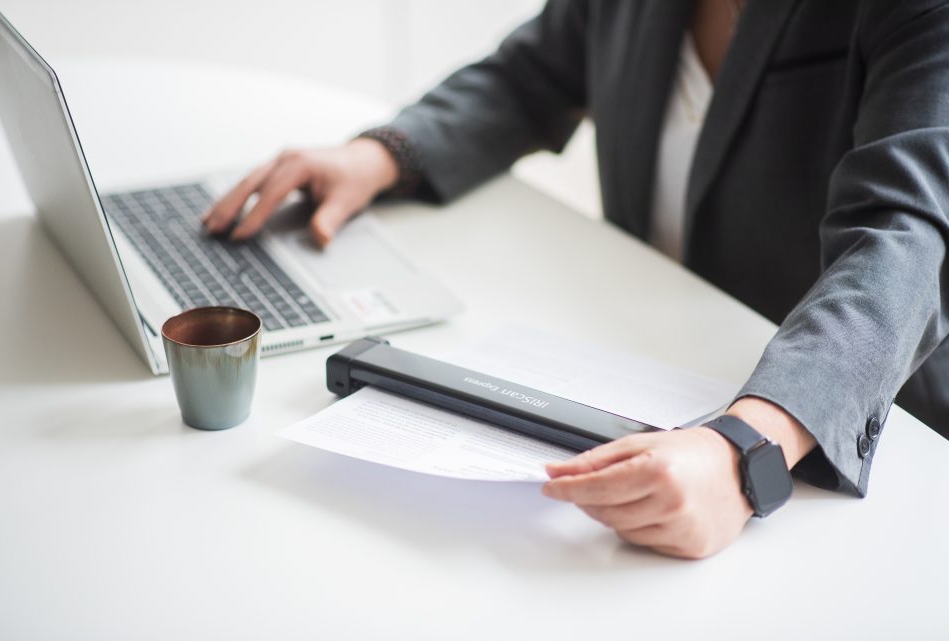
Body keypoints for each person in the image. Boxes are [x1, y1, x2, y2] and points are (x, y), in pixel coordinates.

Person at [202, 0, 949, 558]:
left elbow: (905, 237)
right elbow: (533, 72)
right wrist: (385, 154)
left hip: (860, 434)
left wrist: (744, 450)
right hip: (653, 353)